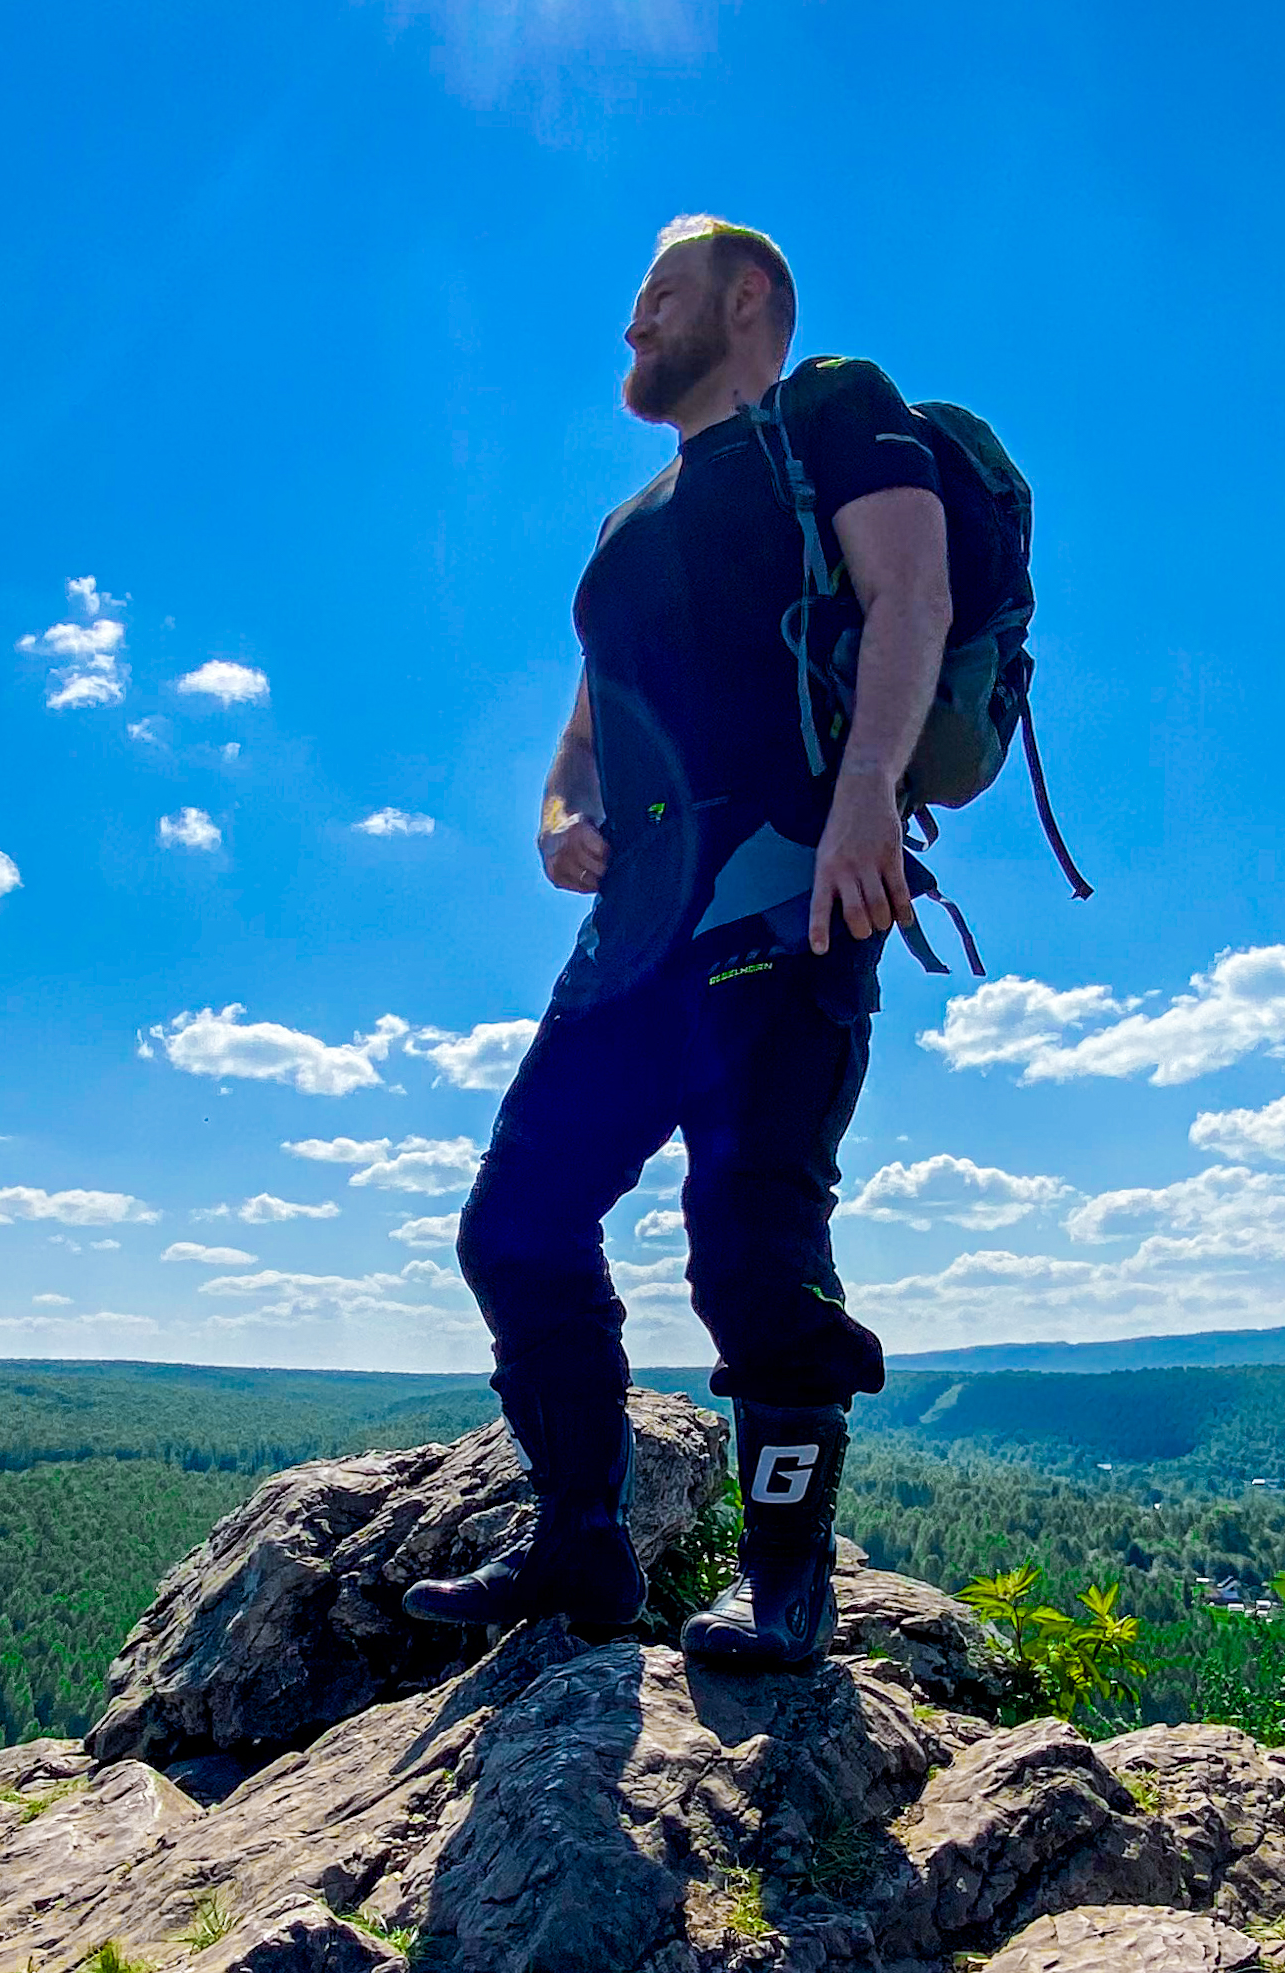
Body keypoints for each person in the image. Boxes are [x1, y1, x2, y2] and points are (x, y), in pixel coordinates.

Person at [405, 215, 951, 1671]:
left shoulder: (834, 419)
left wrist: (865, 807)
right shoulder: (623, 527)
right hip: (635, 923)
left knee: (753, 1242)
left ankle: (785, 1584)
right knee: (513, 1224)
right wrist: (553, 817)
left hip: (789, 887)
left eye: (658, 297)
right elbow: (579, 738)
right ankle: (578, 1542)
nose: (632, 326)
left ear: (746, 298)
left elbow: (911, 596)